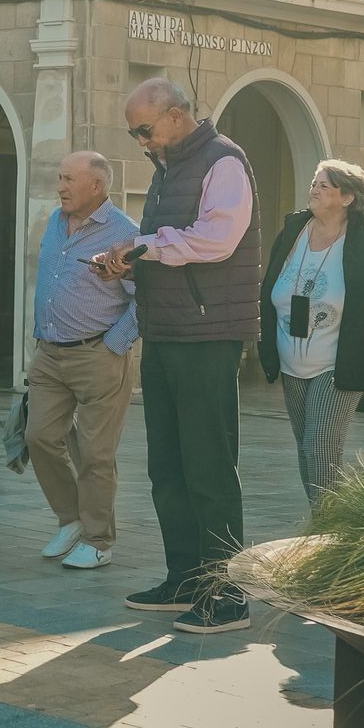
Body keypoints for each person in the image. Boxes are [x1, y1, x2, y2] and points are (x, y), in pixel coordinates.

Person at [103, 78, 260, 634]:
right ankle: (187, 579)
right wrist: (132, 260)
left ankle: (229, 593)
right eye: (134, 133)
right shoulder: (167, 167)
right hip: (166, 331)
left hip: (206, 333)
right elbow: (173, 244)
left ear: (174, 117)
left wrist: (144, 246)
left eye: (144, 130)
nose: (141, 142)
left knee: (209, 465)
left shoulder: (224, 161)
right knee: (168, 466)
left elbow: (217, 238)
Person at [26, 152, 140, 570]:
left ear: (97, 186)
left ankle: (98, 539)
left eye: (69, 179)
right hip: (49, 353)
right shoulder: (57, 222)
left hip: (99, 355)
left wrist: (114, 344)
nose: (60, 186)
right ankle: (72, 519)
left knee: (95, 453)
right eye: (59, 177)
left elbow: (146, 297)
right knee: (38, 437)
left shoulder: (126, 234)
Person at [258, 161, 364, 502]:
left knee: (321, 448)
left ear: (347, 197)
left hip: (337, 364)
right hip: (291, 361)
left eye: (325, 185)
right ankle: (325, 524)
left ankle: (332, 534)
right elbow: (270, 285)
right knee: (306, 450)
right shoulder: (293, 232)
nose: (314, 189)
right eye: (315, 183)